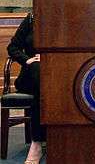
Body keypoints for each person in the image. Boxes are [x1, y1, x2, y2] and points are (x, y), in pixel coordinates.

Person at [7, 13, 46, 164]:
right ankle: (36, 142)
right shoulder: (31, 19)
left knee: (46, 84)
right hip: (31, 76)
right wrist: (27, 60)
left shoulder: (67, 19)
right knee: (39, 73)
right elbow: (13, 47)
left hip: (57, 74)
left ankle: (48, 138)